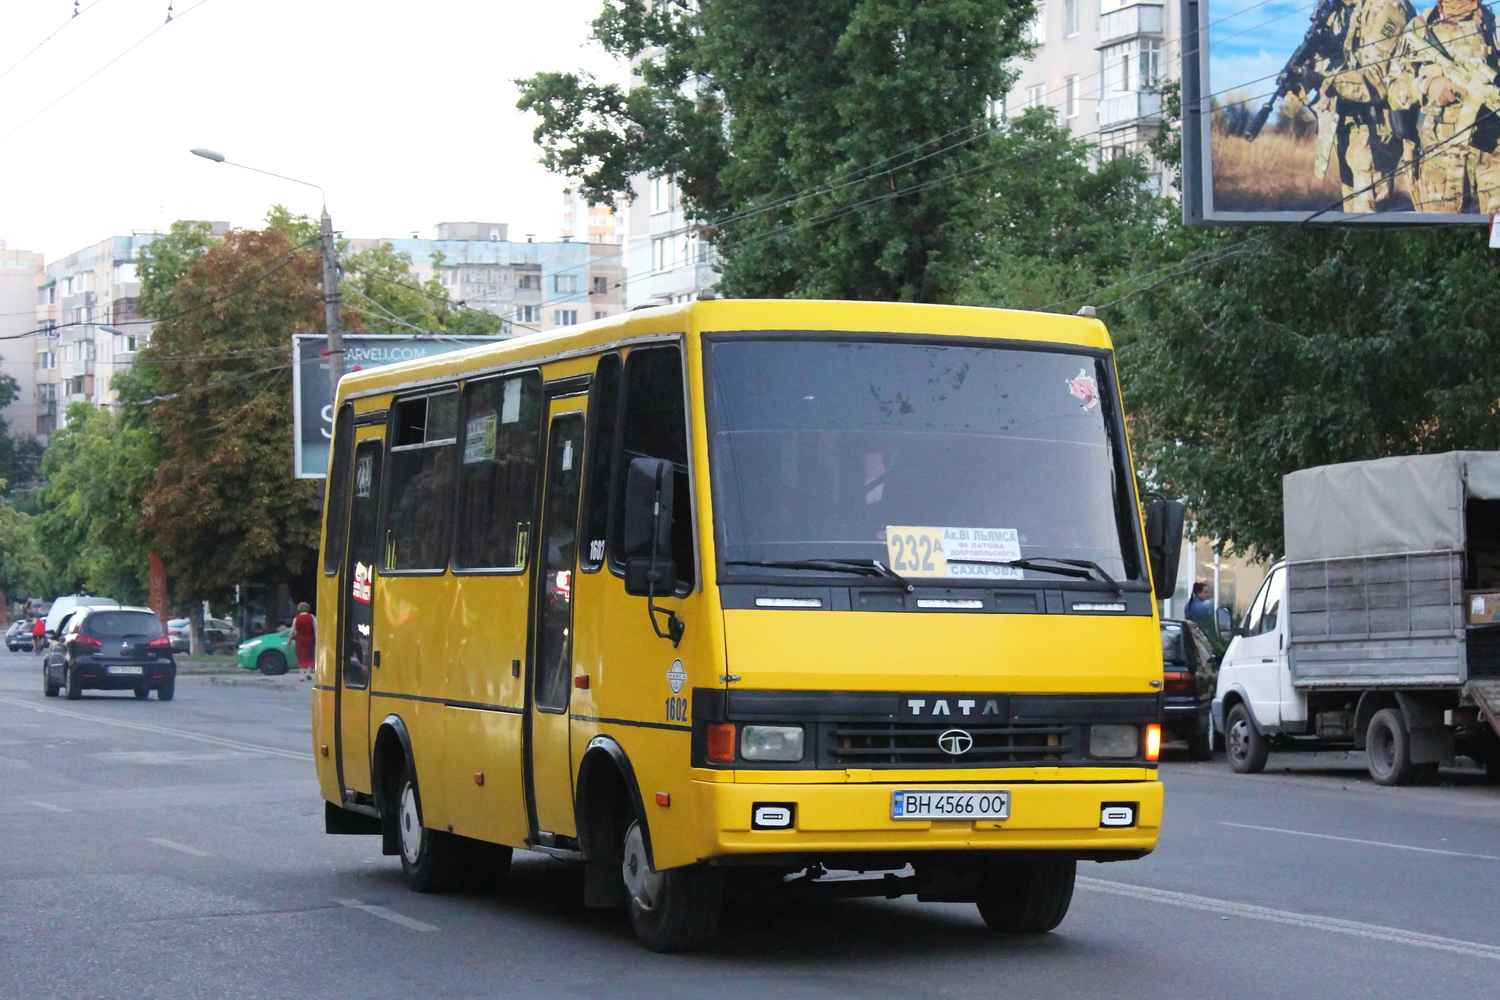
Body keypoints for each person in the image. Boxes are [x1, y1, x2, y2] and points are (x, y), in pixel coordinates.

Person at [1389, 0, 1500, 212]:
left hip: (1492, 159)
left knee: (1496, 238)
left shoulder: (1493, 26)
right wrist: (1426, 85)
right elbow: (1393, 89)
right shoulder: (1419, 28)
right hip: (1440, 165)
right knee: (1439, 237)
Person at [1321, 0, 1417, 211]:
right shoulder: (1338, 10)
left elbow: (1376, 81)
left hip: (1375, 133)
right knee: (1351, 217)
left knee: (1367, 219)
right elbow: (1336, 65)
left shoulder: (1389, 7)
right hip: (1348, 129)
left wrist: (1323, 80)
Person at [289, 602, 316, 682]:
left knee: (301, 655)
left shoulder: (296, 618)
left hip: (300, 639)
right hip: (310, 638)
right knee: (309, 655)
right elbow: (315, 628)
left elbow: (292, 631)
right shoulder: (311, 617)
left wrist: (289, 640)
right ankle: (308, 672)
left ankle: (301, 675)